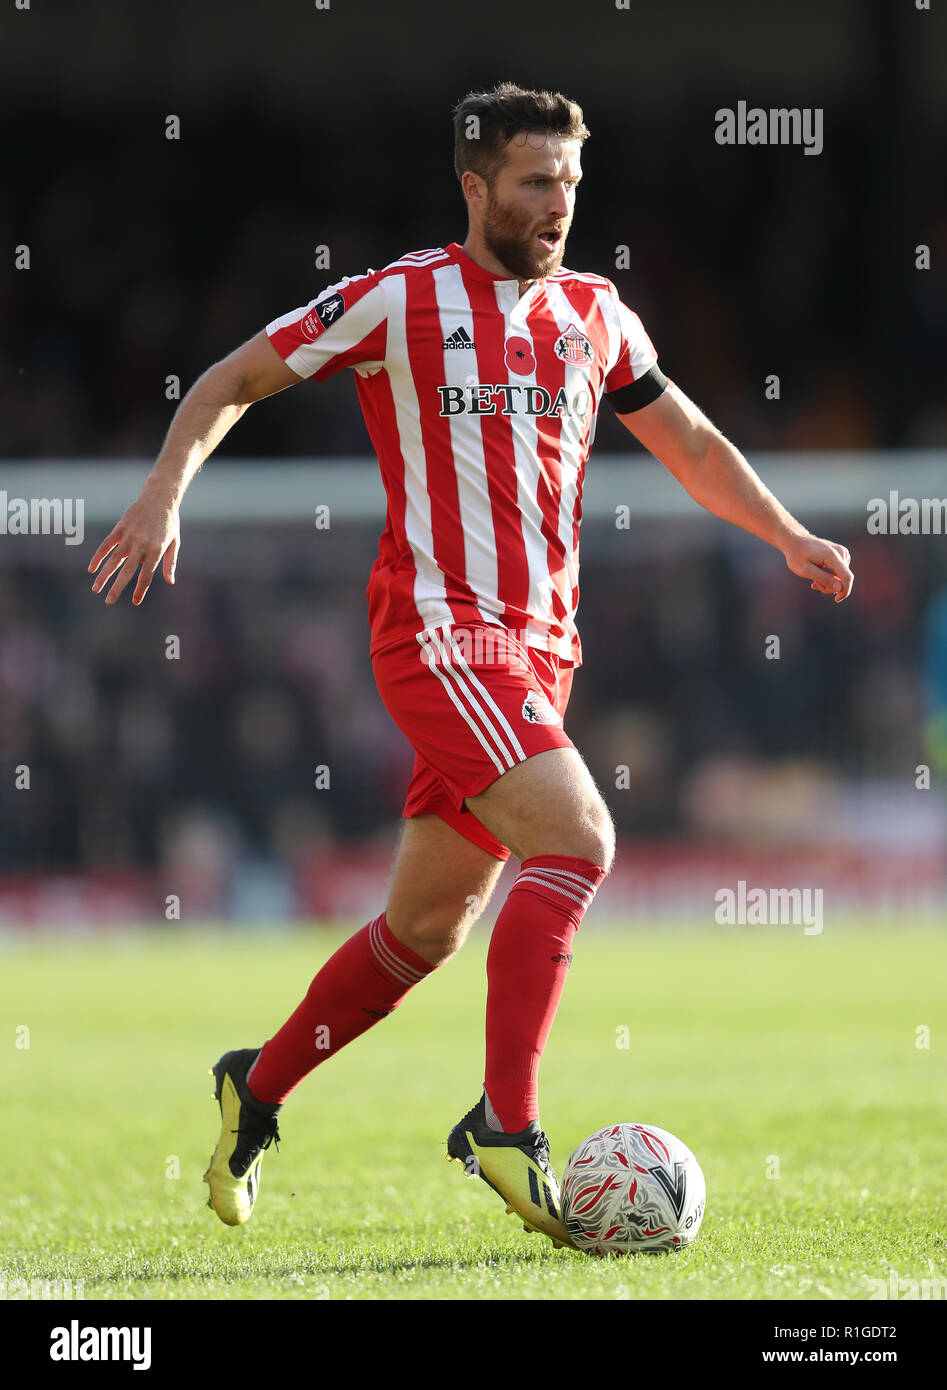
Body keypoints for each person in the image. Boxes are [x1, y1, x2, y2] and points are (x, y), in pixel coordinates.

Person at [89, 82, 854, 1248]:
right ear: (474, 187)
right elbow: (227, 380)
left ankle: (258, 1086)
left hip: (538, 656)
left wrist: (785, 532)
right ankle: (505, 1121)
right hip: (440, 639)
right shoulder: (399, 300)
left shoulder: (595, 314)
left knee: (425, 930)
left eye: (570, 185)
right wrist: (161, 496)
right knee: (582, 841)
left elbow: (688, 440)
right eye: (535, 182)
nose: (557, 206)